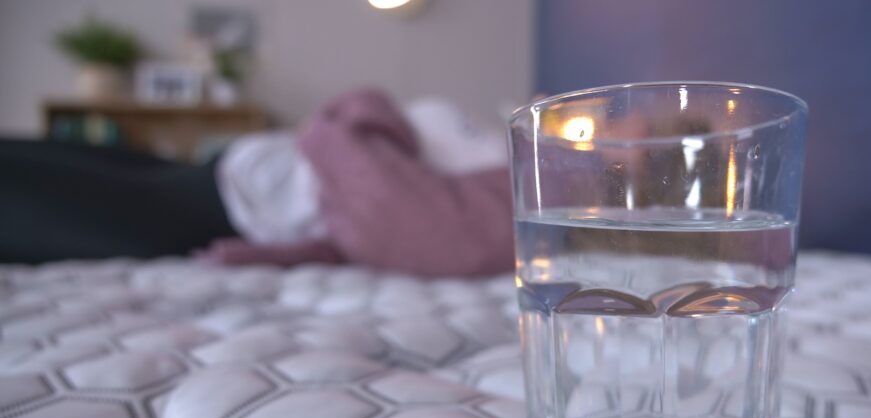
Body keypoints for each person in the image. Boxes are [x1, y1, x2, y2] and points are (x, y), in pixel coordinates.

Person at [0, 90, 514, 277]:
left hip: (227, 207)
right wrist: (360, 119)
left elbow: (400, 227)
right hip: (229, 169)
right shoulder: (505, 139)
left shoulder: (524, 191)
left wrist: (342, 128)